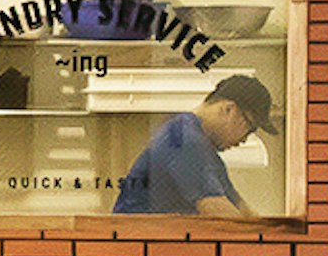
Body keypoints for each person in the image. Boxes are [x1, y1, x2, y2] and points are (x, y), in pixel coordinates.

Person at [111, 74, 274, 217]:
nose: (245, 139)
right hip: (136, 246)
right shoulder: (183, 139)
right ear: (228, 109)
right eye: (249, 127)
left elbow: (242, 210)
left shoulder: (206, 151)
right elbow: (220, 212)